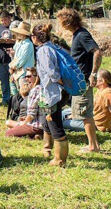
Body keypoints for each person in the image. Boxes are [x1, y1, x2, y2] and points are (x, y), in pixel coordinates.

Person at [57, 8, 103, 153]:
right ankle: (93, 144)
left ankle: (93, 146)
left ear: (67, 21)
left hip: (82, 81)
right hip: (77, 80)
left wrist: (93, 73)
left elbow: (97, 52)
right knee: (84, 114)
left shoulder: (82, 35)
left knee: (85, 114)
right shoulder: (78, 35)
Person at [32, 24, 69, 167]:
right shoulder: (50, 47)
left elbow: (52, 72)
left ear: (35, 38)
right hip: (45, 93)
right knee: (45, 119)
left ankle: (60, 159)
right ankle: (47, 148)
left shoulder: (44, 51)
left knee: (55, 124)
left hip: (52, 93)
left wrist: (61, 82)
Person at [62, 70, 111, 144]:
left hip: (96, 125)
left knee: (62, 123)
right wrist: (75, 114)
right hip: (91, 115)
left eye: (94, 77)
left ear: (102, 81)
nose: (91, 79)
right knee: (63, 113)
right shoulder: (100, 90)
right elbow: (93, 106)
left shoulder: (108, 94)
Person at [5, 67, 44, 139]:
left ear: (37, 77)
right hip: (46, 126)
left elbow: (32, 115)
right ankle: (37, 135)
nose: (26, 79)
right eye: (26, 76)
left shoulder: (35, 90)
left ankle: (33, 135)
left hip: (36, 126)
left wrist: (24, 123)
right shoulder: (43, 88)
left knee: (8, 133)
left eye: (29, 76)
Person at [0, 12, 15, 105]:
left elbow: (21, 39)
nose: (3, 22)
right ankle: (6, 100)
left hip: (12, 59)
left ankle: (16, 100)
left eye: (4, 20)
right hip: (1, 59)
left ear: (9, 18)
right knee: (4, 82)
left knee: (14, 82)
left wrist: (10, 41)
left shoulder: (14, 27)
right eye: (1, 20)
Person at [8, 21, 35, 92]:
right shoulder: (19, 43)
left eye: (19, 32)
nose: (17, 34)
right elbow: (16, 57)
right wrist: (12, 53)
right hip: (16, 72)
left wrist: (13, 68)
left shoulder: (28, 44)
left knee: (24, 93)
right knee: (15, 92)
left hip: (24, 73)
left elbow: (22, 60)